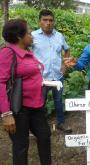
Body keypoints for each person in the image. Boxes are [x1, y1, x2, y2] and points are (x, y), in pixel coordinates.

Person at [0, 19, 51, 165]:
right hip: (19, 109)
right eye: (29, 33)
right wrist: (6, 114)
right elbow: (1, 82)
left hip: (37, 106)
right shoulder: (7, 53)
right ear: (19, 37)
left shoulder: (27, 51)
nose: (32, 35)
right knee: (21, 146)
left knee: (44, 137)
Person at [32, 9, 71, 133]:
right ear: (39, 22)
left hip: (57, 76)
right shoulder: (33, 36)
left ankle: (60, 123)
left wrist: (64, 64)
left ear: (53, 22)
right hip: (41, 77)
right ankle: (39, 127)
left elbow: (67, 49)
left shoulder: (59, 36)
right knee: (40, 103)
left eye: (50, 20)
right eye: (45, 20)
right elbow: (25, 51)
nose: (48, 23)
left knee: (59, 101)